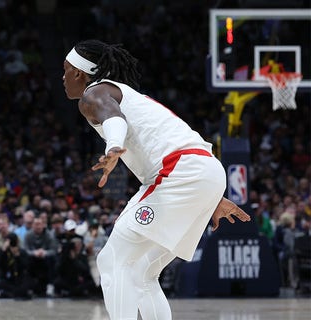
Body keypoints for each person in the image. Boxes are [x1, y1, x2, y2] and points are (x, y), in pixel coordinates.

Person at [62, 39, 251, 319]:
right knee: (142, 273)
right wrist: (209, 196)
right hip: (203, 169)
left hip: (180, 170)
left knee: (112, 260)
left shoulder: (95, 93)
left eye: (64, 70)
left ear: (78, 73)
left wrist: (113, 146)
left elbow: (113, 118)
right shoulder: (125, 93)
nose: (62, 77)